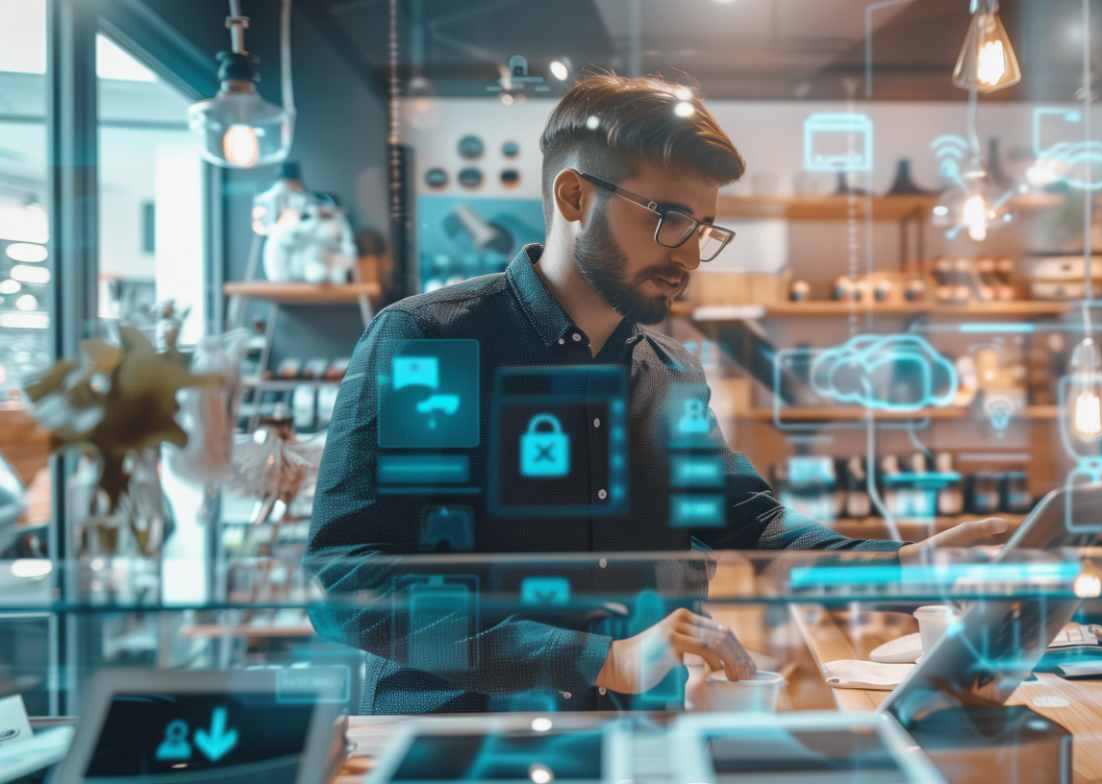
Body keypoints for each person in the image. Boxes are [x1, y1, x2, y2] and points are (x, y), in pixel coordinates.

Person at [306, 73, 1006, 714]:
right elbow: (348, 580)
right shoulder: (430, 343)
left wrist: (898, 569)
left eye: (704, 228)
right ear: (575, 197)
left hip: (644, 743)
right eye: (669, 219)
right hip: (466, 749)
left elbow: (752, 523)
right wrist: (598, 660)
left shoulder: (672, 373)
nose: (691, 255)